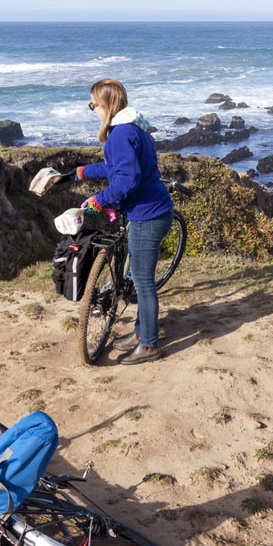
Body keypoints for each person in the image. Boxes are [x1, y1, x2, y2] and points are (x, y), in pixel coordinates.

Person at [69, 78, 174, 364]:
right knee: (141, 278)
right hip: (153, 211)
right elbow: (113, 167)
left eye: (93, 104)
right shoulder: (132, 128)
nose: (92, 109)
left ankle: (149, 345)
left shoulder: (120, 134)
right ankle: (141, 333)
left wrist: (99, 200)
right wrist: (81, 172)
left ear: (106, 104)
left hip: (147, 216)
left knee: (143, 282)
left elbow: (126, 179)